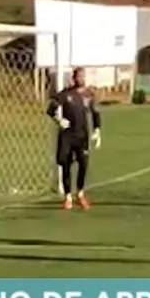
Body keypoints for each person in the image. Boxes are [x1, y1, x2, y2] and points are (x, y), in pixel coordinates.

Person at [46, 67, 102, 210]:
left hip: (82, 136)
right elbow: (50, 109)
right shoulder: (65, 94)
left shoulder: (88, 95)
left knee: (83, 164)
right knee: (65, 164)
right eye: (78, 76)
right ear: (74, 78)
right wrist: (59, 120)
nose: (81, 79)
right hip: (67, 136)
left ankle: (80, 193)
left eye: (83, 76)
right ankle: (68, 196)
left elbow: (95, 113)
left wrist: (97, 130)